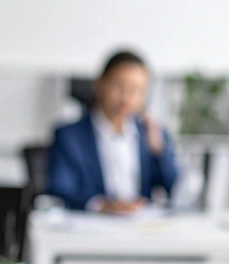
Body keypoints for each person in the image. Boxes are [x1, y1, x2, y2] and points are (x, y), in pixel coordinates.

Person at [47, 51, 178, 213]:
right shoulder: (69, 136)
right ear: (99, 84)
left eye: (136, 90)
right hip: (92, 226)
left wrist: (159, 151)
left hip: (141, 225)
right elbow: (60, 189)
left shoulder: (151, 133)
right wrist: (102, 205)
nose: (126, 98)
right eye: (119, 87)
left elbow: (174, 186)